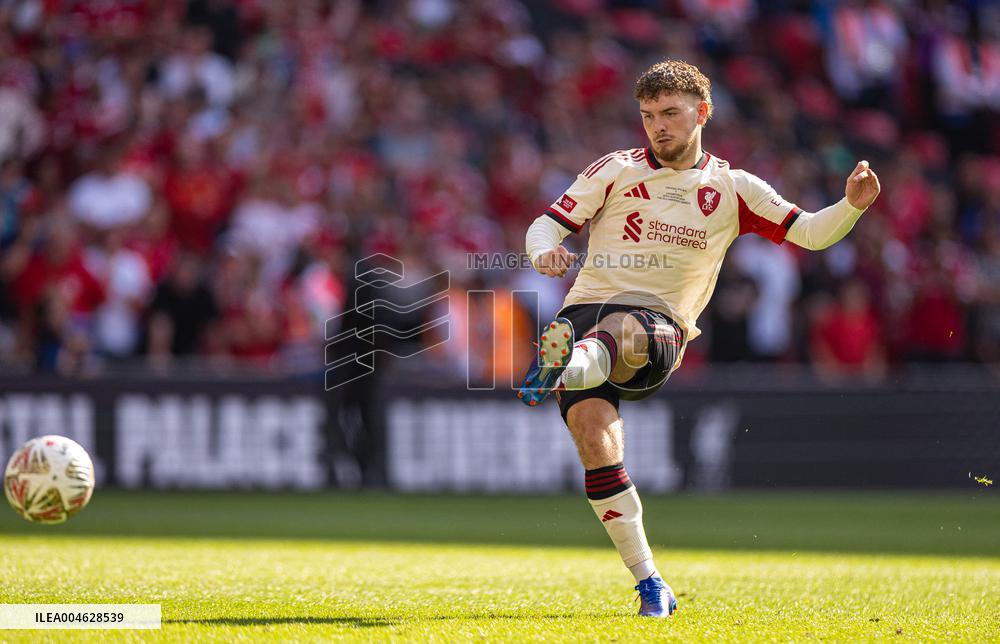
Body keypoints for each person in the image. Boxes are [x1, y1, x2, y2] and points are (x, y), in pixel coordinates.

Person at [517, 59, 880, 618]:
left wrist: (851, 206)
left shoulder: (733, 188)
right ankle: (650, 583)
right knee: (595, 441)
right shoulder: (614, 169)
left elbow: (809, 233)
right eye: (647, 116)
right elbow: (548, 223)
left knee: (622, 330)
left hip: (657, 326)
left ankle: (571, 362)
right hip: (584, 311)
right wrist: (543, 250)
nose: (657, 127)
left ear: (702, 112)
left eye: (669, 113)